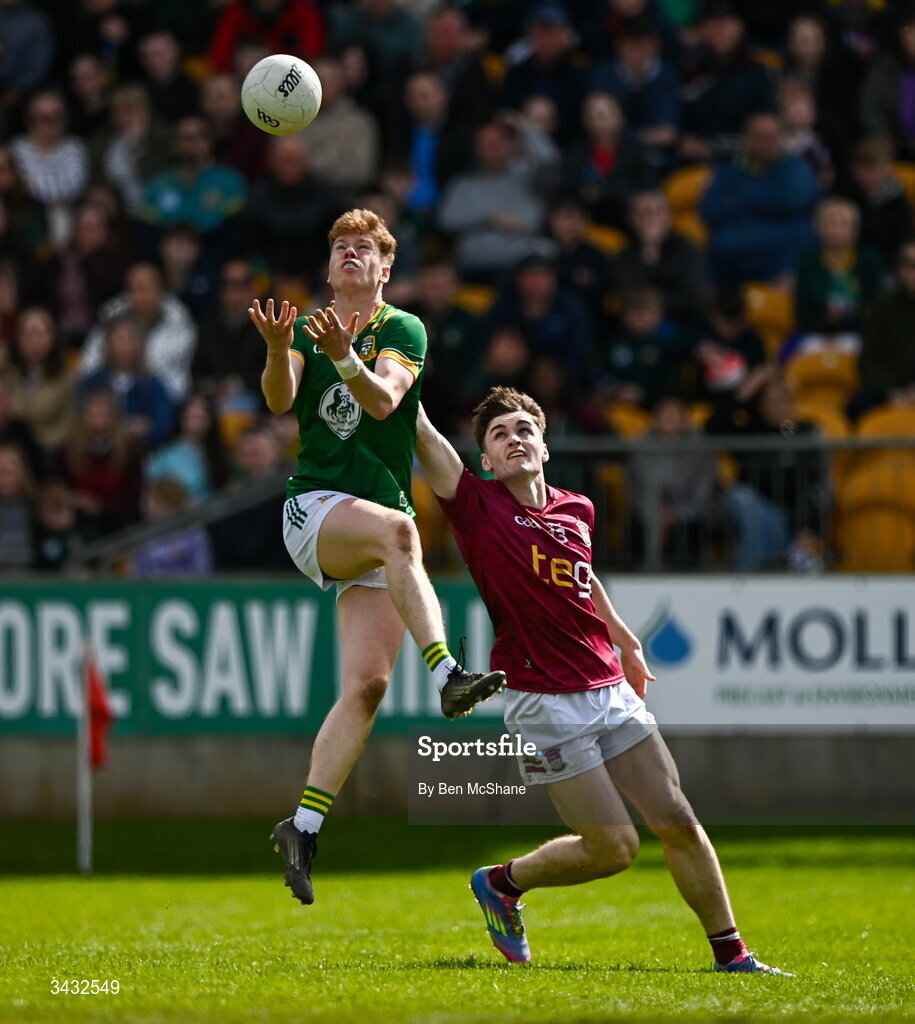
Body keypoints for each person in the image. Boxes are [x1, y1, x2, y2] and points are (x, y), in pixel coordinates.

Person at [413, 385, 792, 975]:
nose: (514, 439)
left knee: (680, 820)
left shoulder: (578, 508)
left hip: (609, 685)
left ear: (544, 445)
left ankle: (733, 955)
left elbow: (583, 578)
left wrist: (624, 637)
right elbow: (423, 433)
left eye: (523, 429)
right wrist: (373, 358)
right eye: (499, 435)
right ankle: (501, 883)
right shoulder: (474, 505)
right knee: (614, 849)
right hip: (543, 699)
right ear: (485, 460)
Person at [248, 208, 505, 906]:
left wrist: (340, 353)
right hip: (316, 509)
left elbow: (387, 401)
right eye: (341, 248)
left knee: (366, 686)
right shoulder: (306, 326)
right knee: (401, 532)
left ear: (385, 268)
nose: (351, 255)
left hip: (368, 523)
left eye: (365, 248)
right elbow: (279, 400)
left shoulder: (402, 329)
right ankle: (450, 673)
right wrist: (277, 348)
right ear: (329, 269)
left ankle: (301, 826)